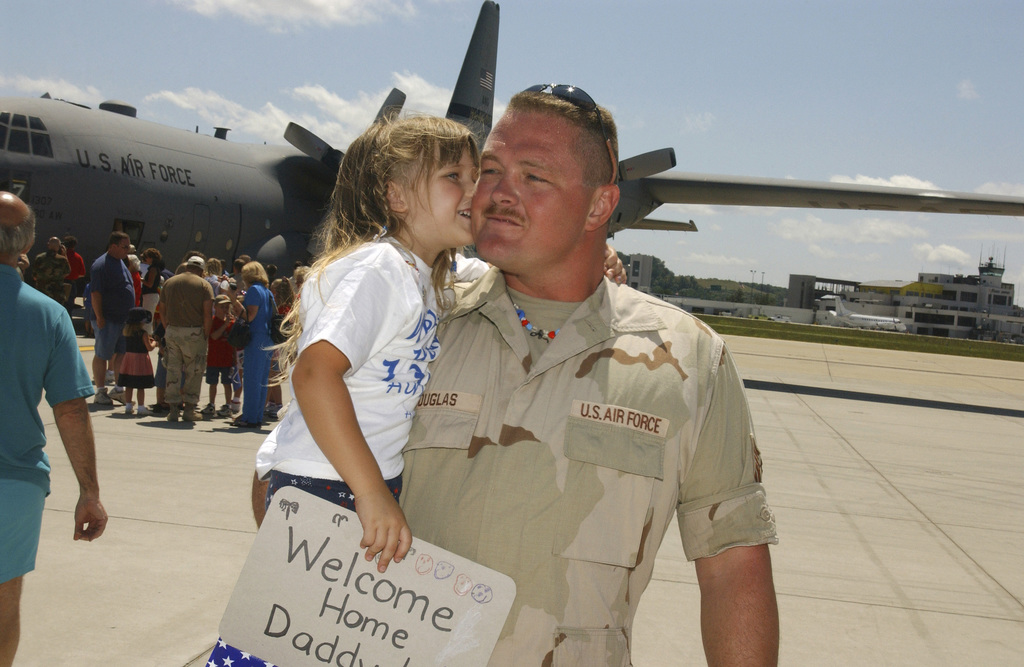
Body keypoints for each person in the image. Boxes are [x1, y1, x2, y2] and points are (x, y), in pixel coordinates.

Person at [399, 86, 779, 666]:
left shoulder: (689, 359)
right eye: (492, 168)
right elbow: (291, 489)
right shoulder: (414, 319)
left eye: (534, 177)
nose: (497, 193)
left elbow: (732, 566)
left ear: (600, 206)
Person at [0, 192, 108, 666]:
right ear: (25, 245)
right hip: (14, 483)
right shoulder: (48, 313)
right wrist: (89, 490)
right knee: (3, 610)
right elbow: (70, 409)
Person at [159, 256, 214, 421]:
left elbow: (162, 310)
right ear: (202, 270)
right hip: (194, 332)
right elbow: (207, 314)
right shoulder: (204, 285)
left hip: (173, 331)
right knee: (194, 371)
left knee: (173, 370)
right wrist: (205, 335)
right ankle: (189, 409)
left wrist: (168, 326)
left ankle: (173, 409)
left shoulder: (169, 283)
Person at [90, 231, 135, 405]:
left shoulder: (120, 262)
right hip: (107, 319)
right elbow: (95, 293)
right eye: (125, 247)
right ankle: (101, 391)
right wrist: (100, 316)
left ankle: (118, 389)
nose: (128, 250)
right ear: (113, 246)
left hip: (123, 320)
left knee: (121, 354)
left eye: (129, 247)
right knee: (102, 354)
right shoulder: (101, 265)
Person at [231, 261, 273, 428]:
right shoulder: (267, 291)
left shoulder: (254, 290)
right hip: (267, 337)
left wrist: (234, 301)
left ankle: (249, 417)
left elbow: (250, 316)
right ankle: (256, 415)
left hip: (256, 337)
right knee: (262, 380)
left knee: (252, 379)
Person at [201, 295, 237, 417]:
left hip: (227, 359)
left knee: (227, 383)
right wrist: (225, 325)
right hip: (214, 358)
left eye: (227, 307)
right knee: (213, 383)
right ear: (215, 307)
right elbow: (214, 336)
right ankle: (211, 404)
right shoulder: (212, 321)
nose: (225, 309)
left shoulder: (232, 322)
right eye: (222, 307)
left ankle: (228, 404)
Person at [118, 307, 156, 416]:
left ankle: (128, 406)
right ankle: (141, 407)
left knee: (128, 384)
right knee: (140, 385)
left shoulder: (127, 332)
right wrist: (154, 343)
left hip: (129, 359)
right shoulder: (143, 333)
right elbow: (149, 347)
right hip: (140, 359)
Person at [31, 236, 70, 303]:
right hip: (57, 294)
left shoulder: (39, 258)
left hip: (42, 293)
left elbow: (34, 276)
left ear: (48, 245)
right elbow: (67, 272)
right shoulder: (62, 260)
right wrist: (64, 255)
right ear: (59, 247)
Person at [62, 235, 86, 316]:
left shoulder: (60, 256)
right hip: (71, 284)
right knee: (69, 307)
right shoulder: (78, 257)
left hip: (59, 283)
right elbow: (82, 274)